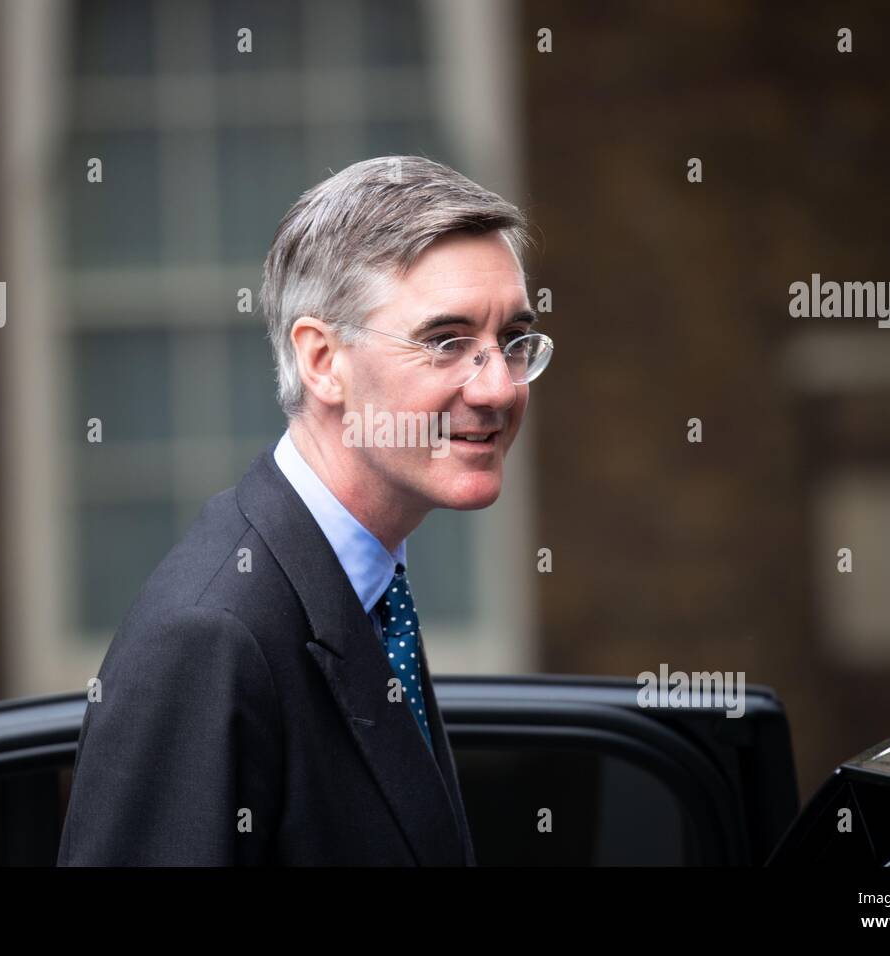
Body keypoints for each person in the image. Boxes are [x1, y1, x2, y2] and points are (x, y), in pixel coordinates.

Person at [57, 155, 552, 865]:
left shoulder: (365, 592)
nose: (499, 388)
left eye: (512, 341)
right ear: (322, 361)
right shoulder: (211, 637)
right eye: (447, 343)